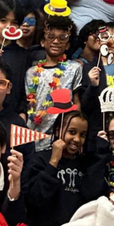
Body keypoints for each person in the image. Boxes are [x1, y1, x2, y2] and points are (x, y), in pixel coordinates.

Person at [22, 110, 107, 226]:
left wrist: (100, 154)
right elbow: (34, 199)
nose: (77, 139)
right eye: (72, 132)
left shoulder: (86, 164)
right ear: (57, 130)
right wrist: (53, 162)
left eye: (82, 135)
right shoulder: (39, 159)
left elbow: (93, 197)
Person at [25, 15, 84, 151]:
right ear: (42, 42)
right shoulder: (31, 72)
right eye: (51, 37)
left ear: (68, 44)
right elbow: (29, 103)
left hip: (60, 137)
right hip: (33, 135)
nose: (56, 41)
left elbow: (76, 103)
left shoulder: (74, 68)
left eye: (62, 38)